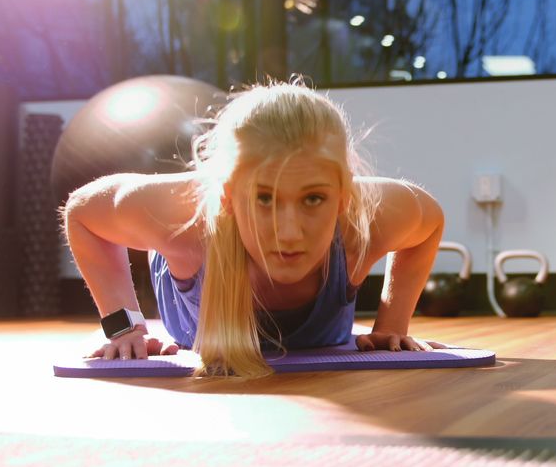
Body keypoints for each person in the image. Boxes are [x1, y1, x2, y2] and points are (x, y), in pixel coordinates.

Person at [62, 80, 444, 378]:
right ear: (228, 195)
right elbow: (82, 211)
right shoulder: (181, 217)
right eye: (265, 198)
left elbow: (431, 223)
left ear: (343, 196)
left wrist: (391, 326)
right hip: (194, 245)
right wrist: (124, 327)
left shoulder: (367, 219)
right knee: (178, 228)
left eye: (313, 199)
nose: (289, 233)